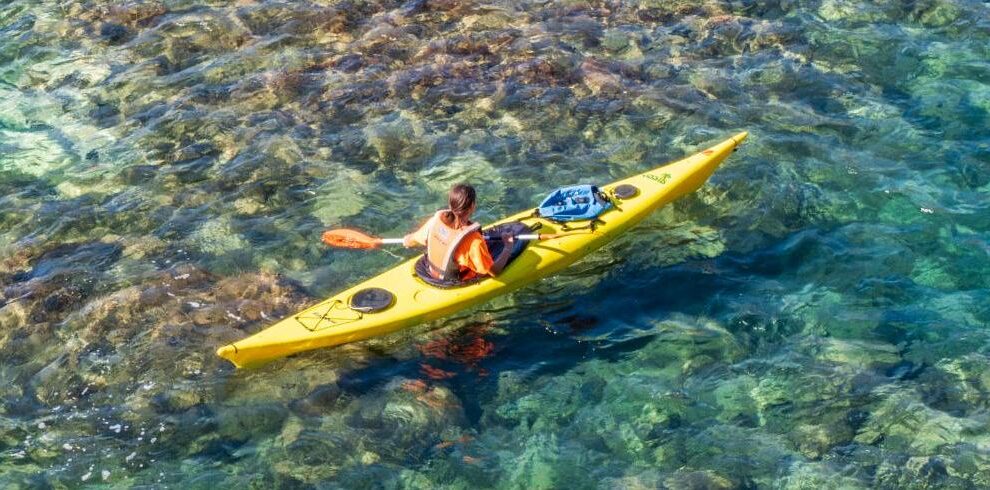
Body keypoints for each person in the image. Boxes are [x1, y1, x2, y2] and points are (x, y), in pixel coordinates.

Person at [404, 184, 515, 282]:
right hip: (451, 282)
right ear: (472, 206)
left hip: (430, 273)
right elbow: (494, 272)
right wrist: (508, 246)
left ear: (450, 204)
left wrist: (408, 239)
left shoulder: (436, 220)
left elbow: (412, 240)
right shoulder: (474, 241)